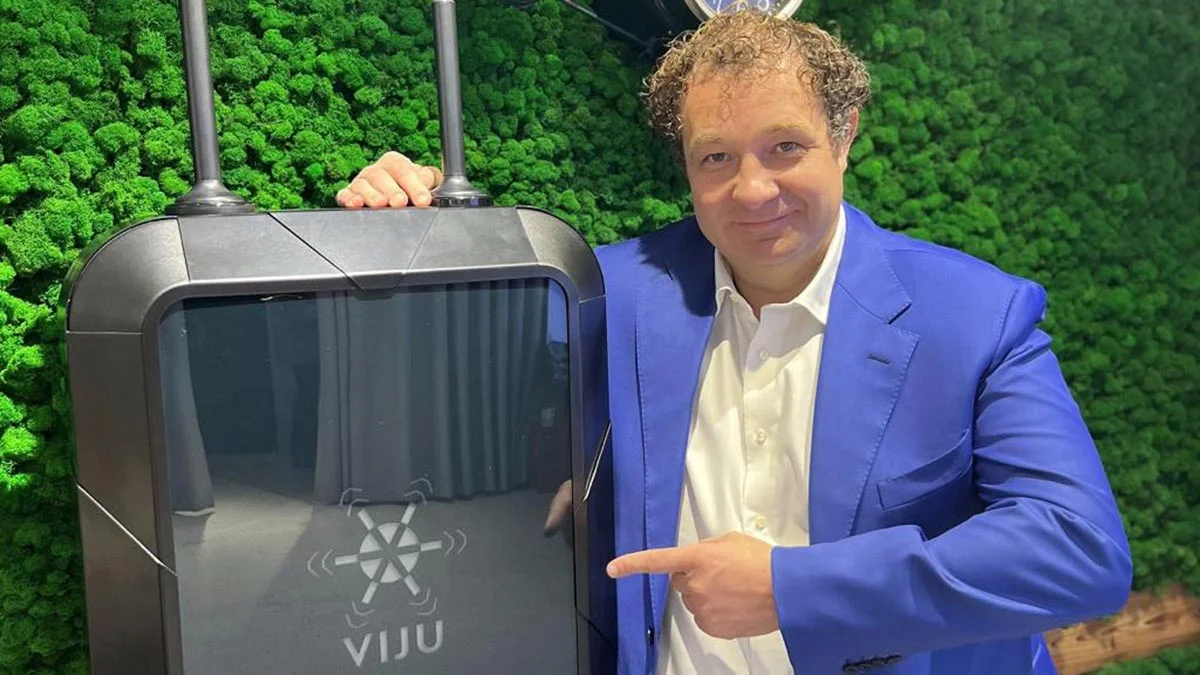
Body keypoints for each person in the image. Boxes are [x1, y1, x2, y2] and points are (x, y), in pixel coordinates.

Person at [335, 10, 1132, 675]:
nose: (752, 190)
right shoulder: (608, 290)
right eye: (716, 157)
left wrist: (793, 587)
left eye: (785, 146)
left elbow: (1080, 551)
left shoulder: (977, 314)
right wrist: (409, 232)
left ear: (844, 135)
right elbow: (457, 339)